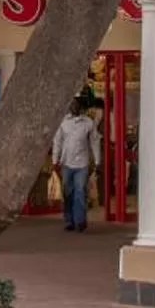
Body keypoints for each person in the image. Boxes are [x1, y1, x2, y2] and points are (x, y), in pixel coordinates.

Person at [52, 97, 101, 232]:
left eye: (75, 105)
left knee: (80, 191)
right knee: (68, 192)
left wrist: (98, 161)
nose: (73, 107)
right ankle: (69, 220)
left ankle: (80, 220)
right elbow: (58, 142)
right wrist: (55, 161)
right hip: (66, 163)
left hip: (82, 164)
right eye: (71, 105)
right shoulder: (63, 123)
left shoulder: (88, 123)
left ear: (80, 108)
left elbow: (95, 142)